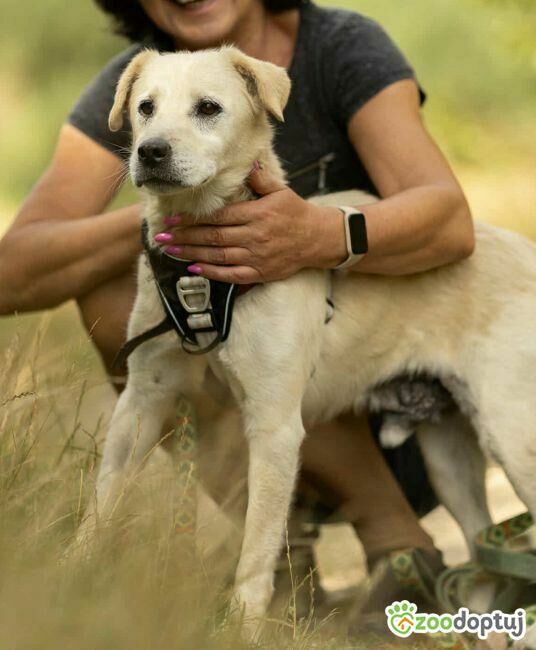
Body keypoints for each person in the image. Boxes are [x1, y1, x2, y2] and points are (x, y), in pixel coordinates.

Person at [0, 0, 474, 614]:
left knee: (287, 306)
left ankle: (396, 543)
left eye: (206, 109)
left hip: (380, 395)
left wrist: (318, 234)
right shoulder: (143, 75)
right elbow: (13, 273)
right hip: (249, 423)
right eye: (147, 114)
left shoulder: (339, 47)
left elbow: (451, 222)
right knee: (114, 286)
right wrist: (182, 221)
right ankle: (282, 563)